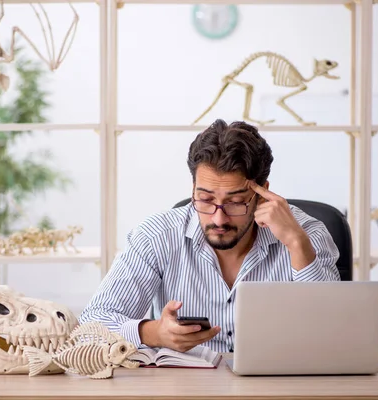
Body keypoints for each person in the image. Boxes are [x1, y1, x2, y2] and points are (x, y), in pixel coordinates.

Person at [78, 119, 340, 353]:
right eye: (205, 199)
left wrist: (297, 244)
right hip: (185, 390)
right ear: (193, 188)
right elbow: (90, 329)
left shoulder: (307, 234)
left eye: (236, 202)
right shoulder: (157, 236)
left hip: (284, 389)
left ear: (262, 193)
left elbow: (335, 335)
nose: (219, 219)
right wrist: (154, 333)